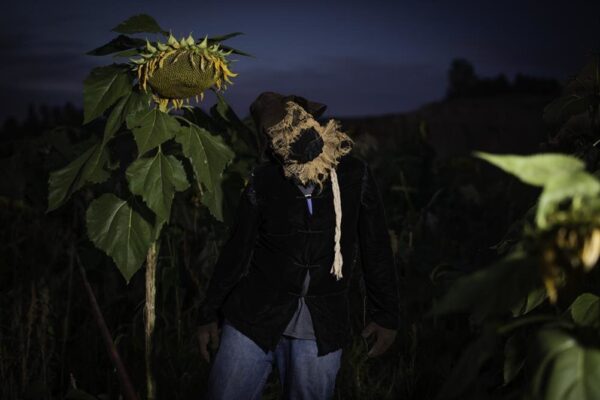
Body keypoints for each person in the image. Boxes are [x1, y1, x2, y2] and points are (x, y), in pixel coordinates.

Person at [196, 91, 400, 400]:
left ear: (311, 121)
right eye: (276, 133)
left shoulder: (353, 175)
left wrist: (385, 315)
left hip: (320, 326)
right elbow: (237, 249)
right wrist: (209, 314)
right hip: (253, 319)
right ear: (270, 143)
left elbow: (376, 246)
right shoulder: (264, 180)